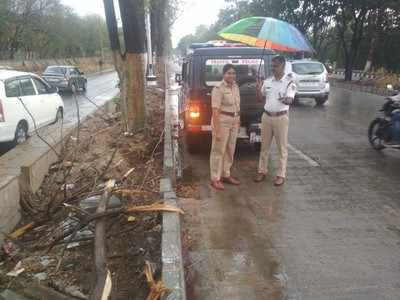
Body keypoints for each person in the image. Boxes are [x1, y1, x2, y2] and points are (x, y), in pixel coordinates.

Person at [254, 55, 297, 186]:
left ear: (283, 66)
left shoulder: (289, 82)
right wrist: (258, 88)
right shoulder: (267, 81)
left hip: (281, 118)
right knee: (264, 147)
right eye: (272, 66)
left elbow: (290, 99)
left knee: (281, 148)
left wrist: (285, 99)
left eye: (276, 66)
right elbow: (260, 99)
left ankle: (280, 175)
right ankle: (262, 171)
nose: (273, 68)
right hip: (266, 117)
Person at [210, 64, 241, 190]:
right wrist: (217, 130)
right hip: (222, 121)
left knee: (230, 149)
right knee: (218, 150)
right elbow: (215, 111)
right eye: (229, 73)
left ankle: (226, 174)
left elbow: (238, 106)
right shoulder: (218, 88)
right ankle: (215, 178)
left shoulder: (236, 87)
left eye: (233, 73)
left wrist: (239, 122)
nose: (231, 75)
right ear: (223, 74)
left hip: (234, 121)